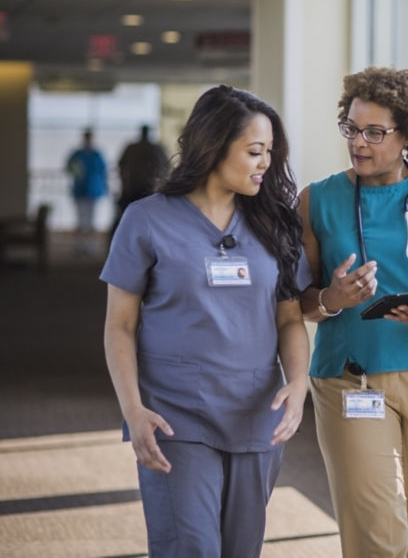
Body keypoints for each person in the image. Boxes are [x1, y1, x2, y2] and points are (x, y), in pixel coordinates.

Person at [101, 85, 312, 557]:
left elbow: (290, 320)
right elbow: (120, 325)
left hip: (255, 414)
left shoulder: (274, 224)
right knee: (191, 547)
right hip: (175, 415)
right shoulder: (147, 220)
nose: (265, 164)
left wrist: (298, 385)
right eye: (254, 152)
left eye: (270, 153)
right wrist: (132, 410)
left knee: (241, 549)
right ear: (214, 146)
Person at [298, 66, 408, 558]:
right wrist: (331, 299)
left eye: (374, 132)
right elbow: (295, 303)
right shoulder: (316, 200)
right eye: (351, 128)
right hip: (348, 376)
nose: (358, 142)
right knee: (379, 530)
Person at [112, 124, 169, 237]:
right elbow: (165, 168)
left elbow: (121, 167)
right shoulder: (156, 148)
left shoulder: (132, 148)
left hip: (132, 189)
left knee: (123, 220)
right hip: (148, 190)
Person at [65, 128, 108, 249]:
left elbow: (103, 172)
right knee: (80, 219)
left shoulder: (97, 154)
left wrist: (105, 188)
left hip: (93, 191)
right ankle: (79, 245)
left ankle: (90, 246)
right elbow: (69, 168)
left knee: (91, 220)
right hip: (80, 190)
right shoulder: (77, 154)